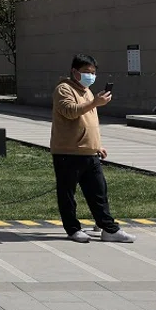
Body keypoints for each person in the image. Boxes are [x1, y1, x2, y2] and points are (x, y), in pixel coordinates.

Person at [51, 54, 135, 244]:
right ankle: (73, 229)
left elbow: (90, 123)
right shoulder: (63, 89)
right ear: (74, 71)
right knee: (67, 194)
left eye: (93, 73)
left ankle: (109, 229)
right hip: (67, 152)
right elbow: (70, 111)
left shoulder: (88, 91)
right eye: (86, 72)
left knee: (99, 192)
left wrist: (97, 145)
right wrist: (95, 102)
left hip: (89, 152)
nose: (91, 76)